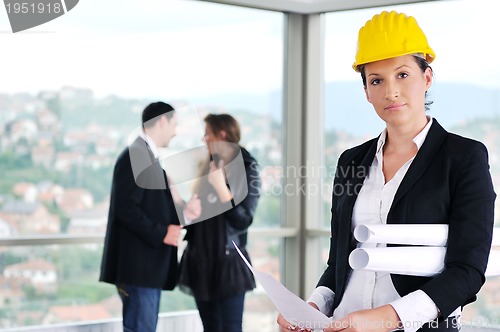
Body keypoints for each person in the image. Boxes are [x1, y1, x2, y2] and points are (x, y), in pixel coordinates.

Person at [277, 10, 495, 332]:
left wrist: (387, 317)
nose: (390, 91)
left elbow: (467, 271)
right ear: (366, 91)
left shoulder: (463, 158)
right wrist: (312, 307)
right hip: (344, 325)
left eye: (403, 74)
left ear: (427, 77)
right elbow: (339, 261)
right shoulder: (350, 161)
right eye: (376, 80)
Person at [100, 101, 200, 332]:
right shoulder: (136, 156)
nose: (175, 132)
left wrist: (184, 212)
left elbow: (151, 207)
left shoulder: (146, 157)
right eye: (174, 124)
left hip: (146, 269)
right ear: (162, 121)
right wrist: (162, 232)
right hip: (139, 269)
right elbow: (125, 208)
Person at [178, 113, 261, 332]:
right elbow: (202, 217)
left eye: (208, 133)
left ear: (222, 135)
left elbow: (243, 219)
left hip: (228, 266)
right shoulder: (209, 165)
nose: (204, 139)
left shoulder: (247, 166)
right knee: (210, 328)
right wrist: (188, 210)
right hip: (201, 262)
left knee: (230, 328)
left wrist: (222, 189)